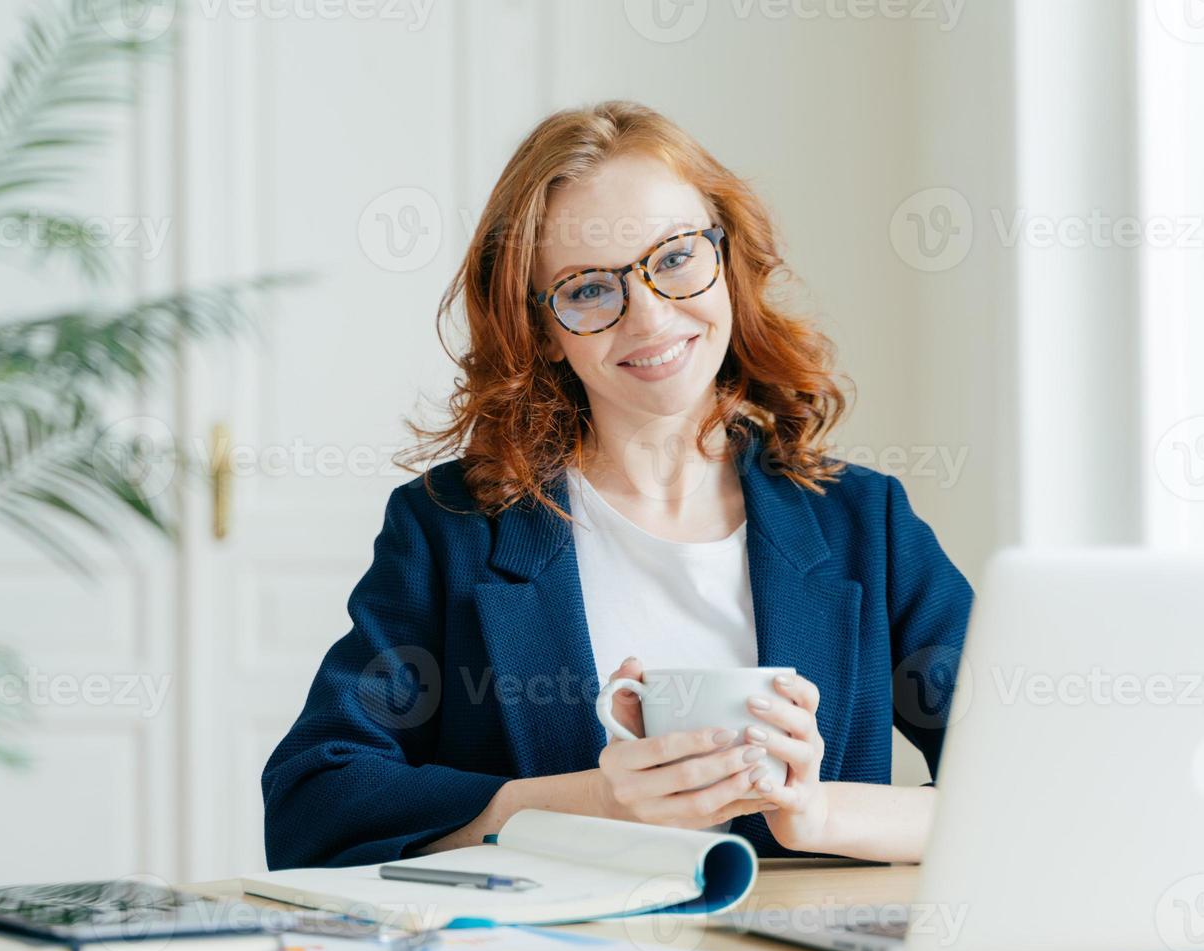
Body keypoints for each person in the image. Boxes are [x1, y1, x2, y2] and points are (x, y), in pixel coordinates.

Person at [261, 100, 971, 869]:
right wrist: (587, 803)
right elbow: (315, 801)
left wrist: (820, 813)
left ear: (727, 258)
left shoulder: (866, 524)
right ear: (544, 331)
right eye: (590, 289)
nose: (650, 316)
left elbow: (1036, 789)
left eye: (674, 258)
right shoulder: (452, 529)